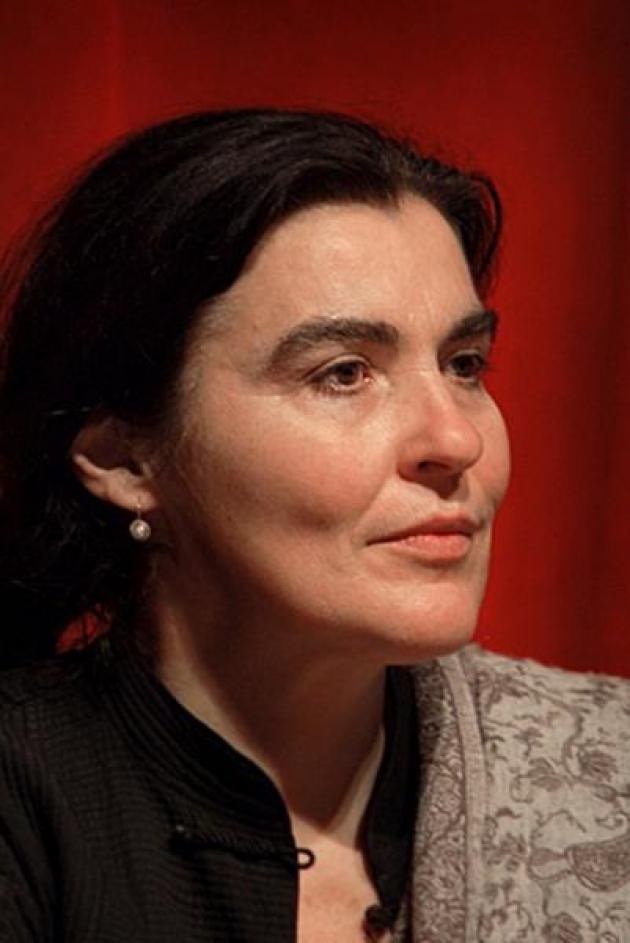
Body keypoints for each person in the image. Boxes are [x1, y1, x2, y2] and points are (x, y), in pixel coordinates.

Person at [0, 109, 628, 943]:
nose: (457, 440)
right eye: (344, 373)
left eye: (464, 364)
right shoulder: (25, 796)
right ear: (125, 460)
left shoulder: (605, 770)